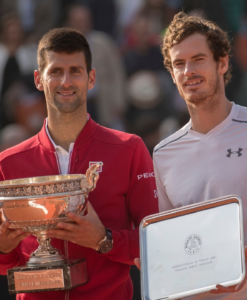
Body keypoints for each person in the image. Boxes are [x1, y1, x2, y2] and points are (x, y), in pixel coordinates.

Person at [144, 12, 247, 300]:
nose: (188, 70)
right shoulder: (163, 153)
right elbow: (172, 243)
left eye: (199, 59)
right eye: (179, 63)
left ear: (223, 63)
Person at [0, 28, 158, 300]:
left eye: (75, 70)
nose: (65, 81)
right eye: (55, 71)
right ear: (39, 79)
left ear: (91, 78)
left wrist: (103, 240)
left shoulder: (129, 149)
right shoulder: (8, 162)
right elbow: (10, 262)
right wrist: (2, 248)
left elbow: (156, 241)